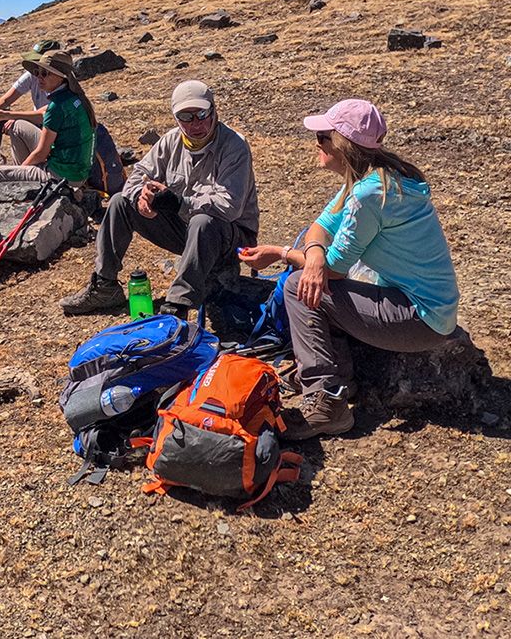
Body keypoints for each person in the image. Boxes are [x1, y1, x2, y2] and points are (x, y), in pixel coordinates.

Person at [238, 100, 459, 439]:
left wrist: (284, 254)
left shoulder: (369, 194)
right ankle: (339, 379)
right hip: (423, 305)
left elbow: (336, 271)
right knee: (309, 278)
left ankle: (327, 403)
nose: (317, 144)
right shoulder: (376, 178)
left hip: (420, 319)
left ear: (342, 144)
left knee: (299, 288)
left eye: (323, 137)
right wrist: (312, 258)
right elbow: (319, 227)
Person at [60, 79, 258, 318]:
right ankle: (105, 285)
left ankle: (179, 302)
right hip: (186, 230)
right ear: (176, 118)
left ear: (214, 110)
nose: (196, 124)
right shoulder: (171, 141)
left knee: (203, 221)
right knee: (120, 203)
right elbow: (135, 179)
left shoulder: (234, 146)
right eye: (186, 117)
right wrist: (141, 198)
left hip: (230, 237)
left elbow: (229, 207)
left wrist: (177, 203)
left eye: (202, 114)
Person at [0, 47, 94, 189]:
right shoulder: (73, 96)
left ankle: (21, 184)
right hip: (74, 171)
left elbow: (41, 153)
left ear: (60, 76)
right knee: (17, 126)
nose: (38, 78)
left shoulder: (57, 107)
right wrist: (6, 115)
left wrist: (20, 171)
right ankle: (25, 180)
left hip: (60, 176)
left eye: (44, 73)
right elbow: (43, 113)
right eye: (37, 73)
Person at [0, 39, 60, 164]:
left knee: (16, 125)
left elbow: (44, 115)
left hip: (49, 128)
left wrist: (13, 117)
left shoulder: (59, 83)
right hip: (35, 121)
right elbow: (6, 99)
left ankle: (23, 168)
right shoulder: (33, 75)